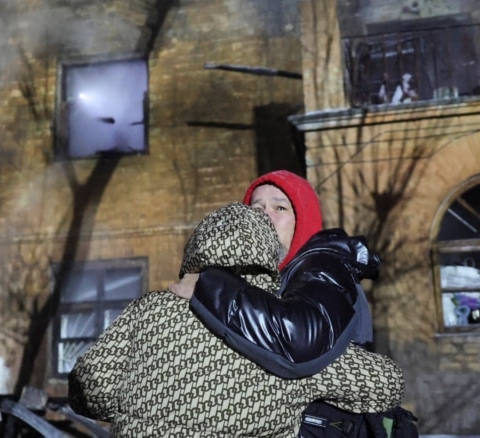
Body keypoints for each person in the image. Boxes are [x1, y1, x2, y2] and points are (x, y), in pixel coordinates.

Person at [69, 203, 403, 438]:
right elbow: (386, 385)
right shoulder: (276, 327)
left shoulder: (148, 310)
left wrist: (144, 405)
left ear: (196, 248)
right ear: (267, 252)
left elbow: (91, 386)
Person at [169, 170, 377, 378]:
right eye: (257, 209)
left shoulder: (324, 264)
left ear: (303, 221)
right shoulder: (270, 278)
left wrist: (209, 286)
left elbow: (298, 341)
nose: (266, 216)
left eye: (280, 208)